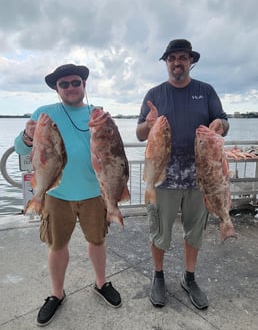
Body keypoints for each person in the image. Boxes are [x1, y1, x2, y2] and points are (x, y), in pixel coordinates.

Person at [14, 64, 122, 327]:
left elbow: (112, 151)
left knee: (97, 241)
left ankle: (100, 283)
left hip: (94, 193)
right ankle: (56, 294)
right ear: (56, 88)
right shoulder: (44, 113)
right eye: (64, 84)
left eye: (76, 82)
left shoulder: (96, 114)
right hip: (56, 192)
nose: (71, 87)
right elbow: (20, 148)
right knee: (57, 245)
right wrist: (28, 136)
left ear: (84, 84)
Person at [136, 39, 229, 309]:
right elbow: (140, 134)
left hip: (201, 178)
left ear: (191, 61)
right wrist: (148, 125)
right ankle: (158, 276)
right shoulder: (155, 93)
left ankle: (189, 278)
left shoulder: (206, 91)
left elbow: (224, 121)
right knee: (159, 231)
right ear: (166, 62)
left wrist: (220, 124)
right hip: (162, 178)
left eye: (183, 58)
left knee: (194, 232)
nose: (177, 62)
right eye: (172, 58)